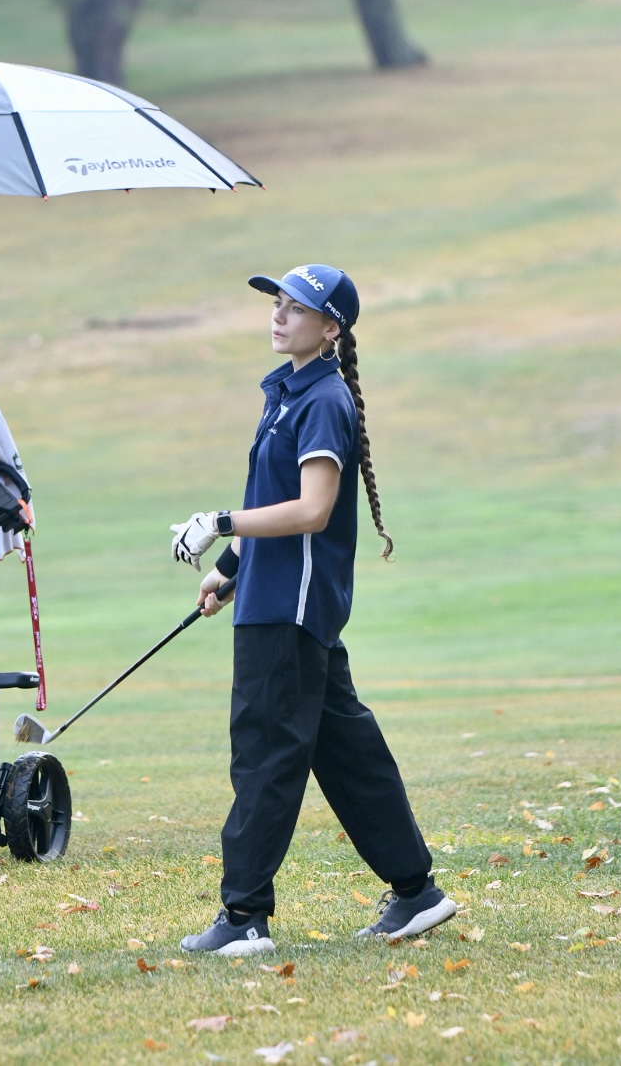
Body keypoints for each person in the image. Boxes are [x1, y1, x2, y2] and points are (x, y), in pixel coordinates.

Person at [168, 263, 456, 957]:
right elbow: (282, 500)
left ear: (331, 328)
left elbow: (313, 510)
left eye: (295, 308)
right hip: (279, 601)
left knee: (265, 755)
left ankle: (243, 917)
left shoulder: (323, 399)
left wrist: (220, 521)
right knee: (348, 753)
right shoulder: (286, 393)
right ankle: (417, 892)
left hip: (290, 614)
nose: (278, 314)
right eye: (277, 303)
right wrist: (232, 570)